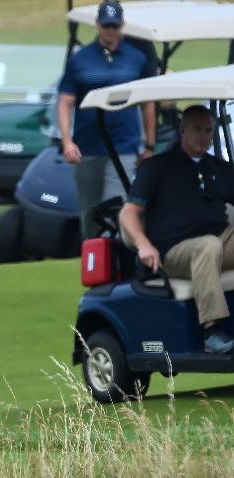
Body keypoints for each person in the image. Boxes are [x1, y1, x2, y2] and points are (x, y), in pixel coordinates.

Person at [119, 105, 234, 354]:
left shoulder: (219, 168)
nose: (204, 136)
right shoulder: (158, 167)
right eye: (197, 129)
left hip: (218, 239)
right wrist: (143, 244)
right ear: (182, 130)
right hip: (173, 250)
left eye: (208, 130)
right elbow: (129, 213)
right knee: (208, 246)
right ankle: (211, 331)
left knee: (212, 243)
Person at [58, 1, 156, 239]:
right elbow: (64, 102)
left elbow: (147, 104)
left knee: (118, 207)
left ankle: (117, 263)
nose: (110, 31)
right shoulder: (80, 59)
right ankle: (93, 264)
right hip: (88, 147)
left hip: (124, 146)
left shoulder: (136, 59)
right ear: (97, 25)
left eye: (114, 26)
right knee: (90, 213)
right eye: (106, 26)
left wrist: (150, 145)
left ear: (122, 26)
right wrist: (67, 142)